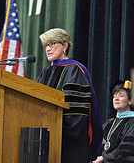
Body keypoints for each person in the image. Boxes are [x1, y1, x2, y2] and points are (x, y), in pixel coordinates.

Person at [37, 28, 103, 163]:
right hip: (44, 138)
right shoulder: (45, 72)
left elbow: (77, 112)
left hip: (69, 143)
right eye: (46, 46)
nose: (48, 49)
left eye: (52, 44)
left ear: (65, 46)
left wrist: (57, 129)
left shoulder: (75, 70)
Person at [92, 80, 134, 163]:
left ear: (130, 101)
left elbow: (127, 149)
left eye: (121, 96)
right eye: (114, 96)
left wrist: (104, 158)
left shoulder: (132, 122)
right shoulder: (109, 123)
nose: (116, 98)